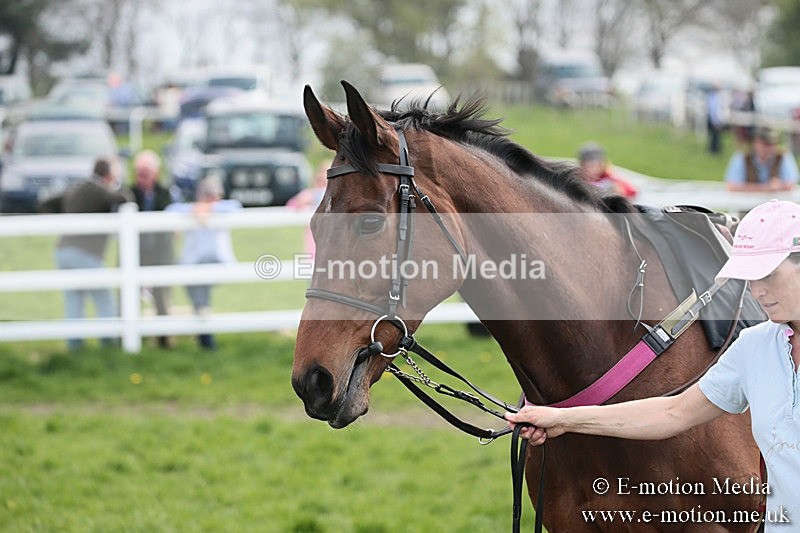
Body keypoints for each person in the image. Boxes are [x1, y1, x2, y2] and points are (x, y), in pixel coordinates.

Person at [505, 199, 800, 525]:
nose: (756, 291)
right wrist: (563, 419)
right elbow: (674, 412)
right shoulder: (754, 348)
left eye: (768, 275)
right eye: (749, 278)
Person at [39, 157, 133, 351]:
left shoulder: (77, 187)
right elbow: (124, 199)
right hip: (85, 253)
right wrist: (121, 186)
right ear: (109, 174)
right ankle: (109, 344)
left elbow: (46, 203)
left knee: (74, 300)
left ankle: (75, 347)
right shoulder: (98, 189)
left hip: (63, 250)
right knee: (105, 300)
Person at [166, 176, 242, 350]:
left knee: (199, 288)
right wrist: (195, 209)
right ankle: (205, 336)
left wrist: (207, 209)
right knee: (198, 292)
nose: (214, 199)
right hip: (191, 266)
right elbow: (170, 210)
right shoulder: (190, 211)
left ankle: (205, 335)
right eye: (210, 196)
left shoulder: (221, 210)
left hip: (217, 264)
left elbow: (235, 206)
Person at [131, 150, 176, 348]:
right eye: (139, 173)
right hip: (136, 252)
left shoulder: (166, 193)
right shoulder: (130, 194)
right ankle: (131, 339)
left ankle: (164, 340)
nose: (142, 178)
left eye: (146, 173)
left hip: (160, 252)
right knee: (129, 295)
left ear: (156, 173)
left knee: (162, 296)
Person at [725, 127, 799, 192]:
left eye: (772, 144)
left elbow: (791, 185)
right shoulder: (742, 157)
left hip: (776, 203)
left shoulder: (783, 157)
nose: (769, 148)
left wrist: (779, 186)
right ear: (755, 143)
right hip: (747, 204)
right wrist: (765, 188)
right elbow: (732, 186)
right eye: (765, 144)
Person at [286, 159, 330, 257]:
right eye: (320, 180)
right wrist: (302, 202)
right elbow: (290, 206)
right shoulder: (309, 195)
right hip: (314, 239)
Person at [706, 84, 725, 155]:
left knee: (715, 136)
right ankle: (714, 150)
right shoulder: (713, 97)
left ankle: (715, 149)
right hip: (714, 120)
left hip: (714, 119)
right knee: (714, 135)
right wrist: (716, 121)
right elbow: (713, 110)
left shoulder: (713, 96)